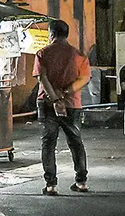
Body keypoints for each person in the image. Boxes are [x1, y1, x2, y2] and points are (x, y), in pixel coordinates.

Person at [33, 20, 90, 196]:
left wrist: (55, 98)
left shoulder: (43, 53)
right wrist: (65, 93)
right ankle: (81, 182)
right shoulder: (79, 55)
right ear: (66, 34)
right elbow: (84, 79)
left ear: (51, 34)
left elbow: (42, 78)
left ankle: (51, 185)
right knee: (75, 141)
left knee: (48, 143)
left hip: (47, 104)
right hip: (72, 104)